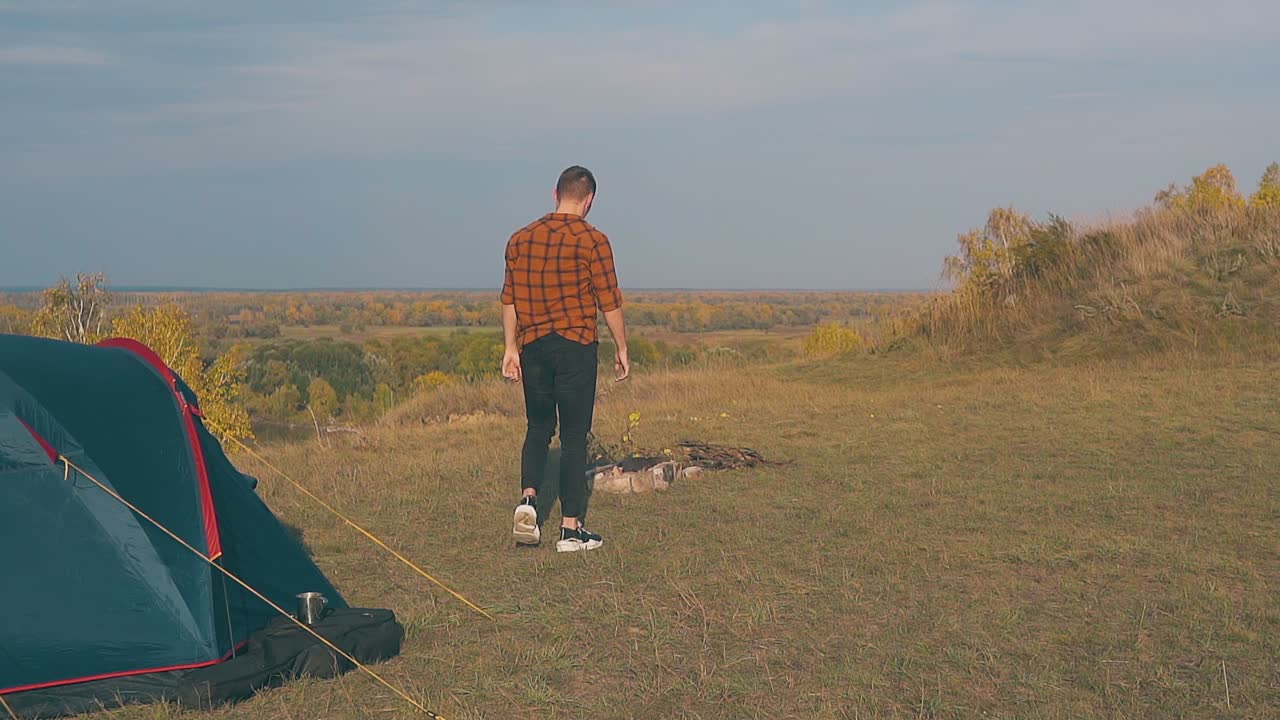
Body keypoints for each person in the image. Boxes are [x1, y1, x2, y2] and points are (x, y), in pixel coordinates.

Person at [500, 165, 630, 552]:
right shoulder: (594, 240)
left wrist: (510, 348)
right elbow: (609, 301)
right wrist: (621, 347)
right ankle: (571, 530)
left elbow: (509, 299)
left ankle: (528, 501)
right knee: (574, 436)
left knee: (538, 428)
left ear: (555, 195)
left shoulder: (520, 239)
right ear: (589, 200)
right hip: (576, 345)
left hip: (533, 346)